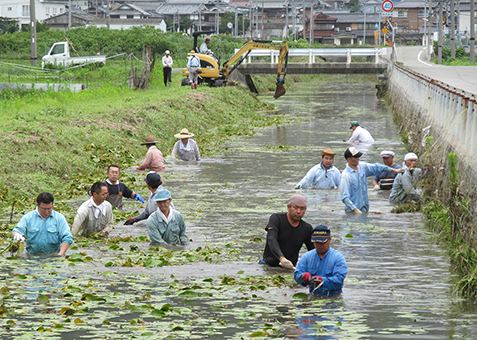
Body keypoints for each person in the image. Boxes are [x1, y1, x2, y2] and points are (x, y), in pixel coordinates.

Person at [340, 147, 404, 214]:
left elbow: (376, 167)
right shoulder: (346, 176)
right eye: (356, 157)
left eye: (358, 156)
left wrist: (393, 170)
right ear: (349, 159)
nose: (358, 159)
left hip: (364, 209)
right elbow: (345, 198)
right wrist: (355, 210)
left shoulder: (362, 167)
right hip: (352, 212)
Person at [261, 195, 314, 269]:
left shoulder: (307, 228)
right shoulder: (277, 219)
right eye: (295, 207)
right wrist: (282, 258)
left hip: (290, 267)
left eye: (302, 208)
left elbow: (313, 251)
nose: (298, 211)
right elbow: (271, 239)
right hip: (268, 265)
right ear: (288, 207)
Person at [294, 225, 347, 297]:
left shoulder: (338, 258)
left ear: (329, 240)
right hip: (313, 295)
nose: (319, 245)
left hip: (333, 297)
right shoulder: (307, 256)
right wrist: (303, 276)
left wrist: (322, 280)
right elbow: (297, 274)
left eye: (322, 243)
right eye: (316, 243)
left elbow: (339, 279)